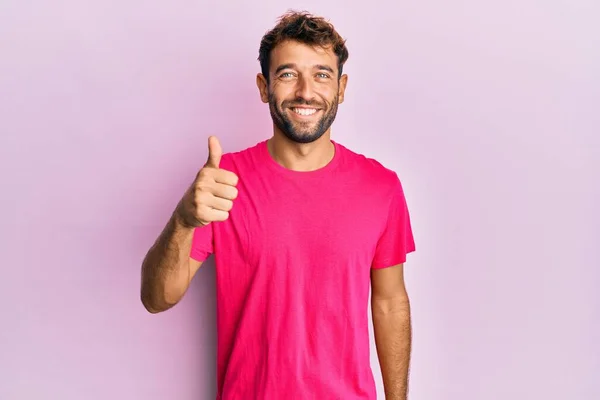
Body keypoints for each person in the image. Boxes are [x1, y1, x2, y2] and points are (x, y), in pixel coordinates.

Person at [140, 10, 416, 400]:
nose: (306, 91)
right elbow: (156, 298)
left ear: (341, 88)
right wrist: (184, 220)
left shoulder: (381, 187)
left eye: (322, 74)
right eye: (288, 74)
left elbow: (390, 302)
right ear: (264, 87)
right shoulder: (223, 181)